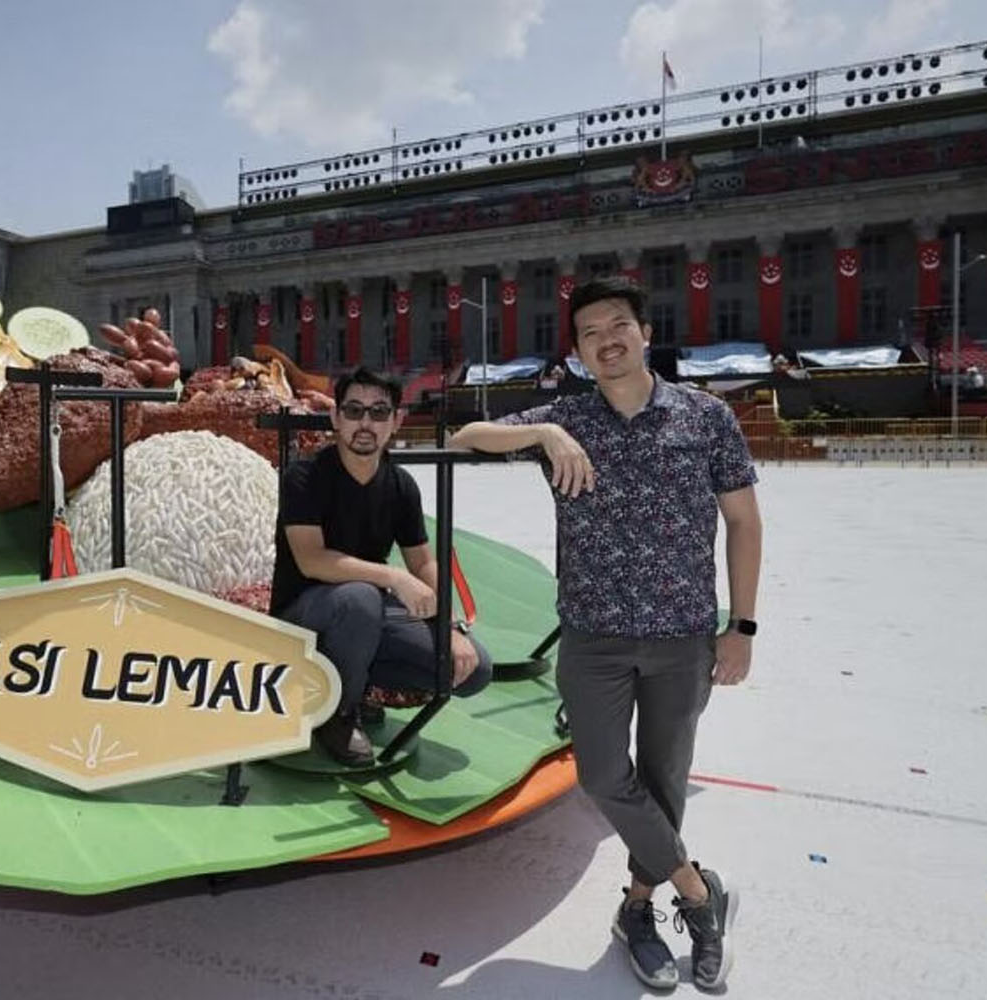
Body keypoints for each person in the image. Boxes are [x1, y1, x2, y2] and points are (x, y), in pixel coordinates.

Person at [448, 276, 762, 992]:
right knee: (602, 776)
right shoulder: (568, 418)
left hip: (684, 635)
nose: (607, 340)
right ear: (579, 352)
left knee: (662, 781)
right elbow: (464, 434)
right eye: (590, 333)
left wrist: (740, 625)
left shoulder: (706, 418)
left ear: (646, 333)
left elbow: (743, 522)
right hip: (592, 638)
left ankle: (637, 908)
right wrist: (543, 430)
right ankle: (701, 893)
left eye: (619, 324)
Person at [270, 366, 494, 767]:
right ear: (336, 418)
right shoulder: (304, 476)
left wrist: (451, 627)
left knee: (471, 668)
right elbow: (312, 559)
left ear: (396, 421)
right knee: (360, 599)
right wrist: (391, 576)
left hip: (366, 614)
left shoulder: (401, 485)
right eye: (354, 411)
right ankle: (336, 714)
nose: (365, 423)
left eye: (378, 412)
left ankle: (355, 678)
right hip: (305, 615)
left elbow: (423, 561)